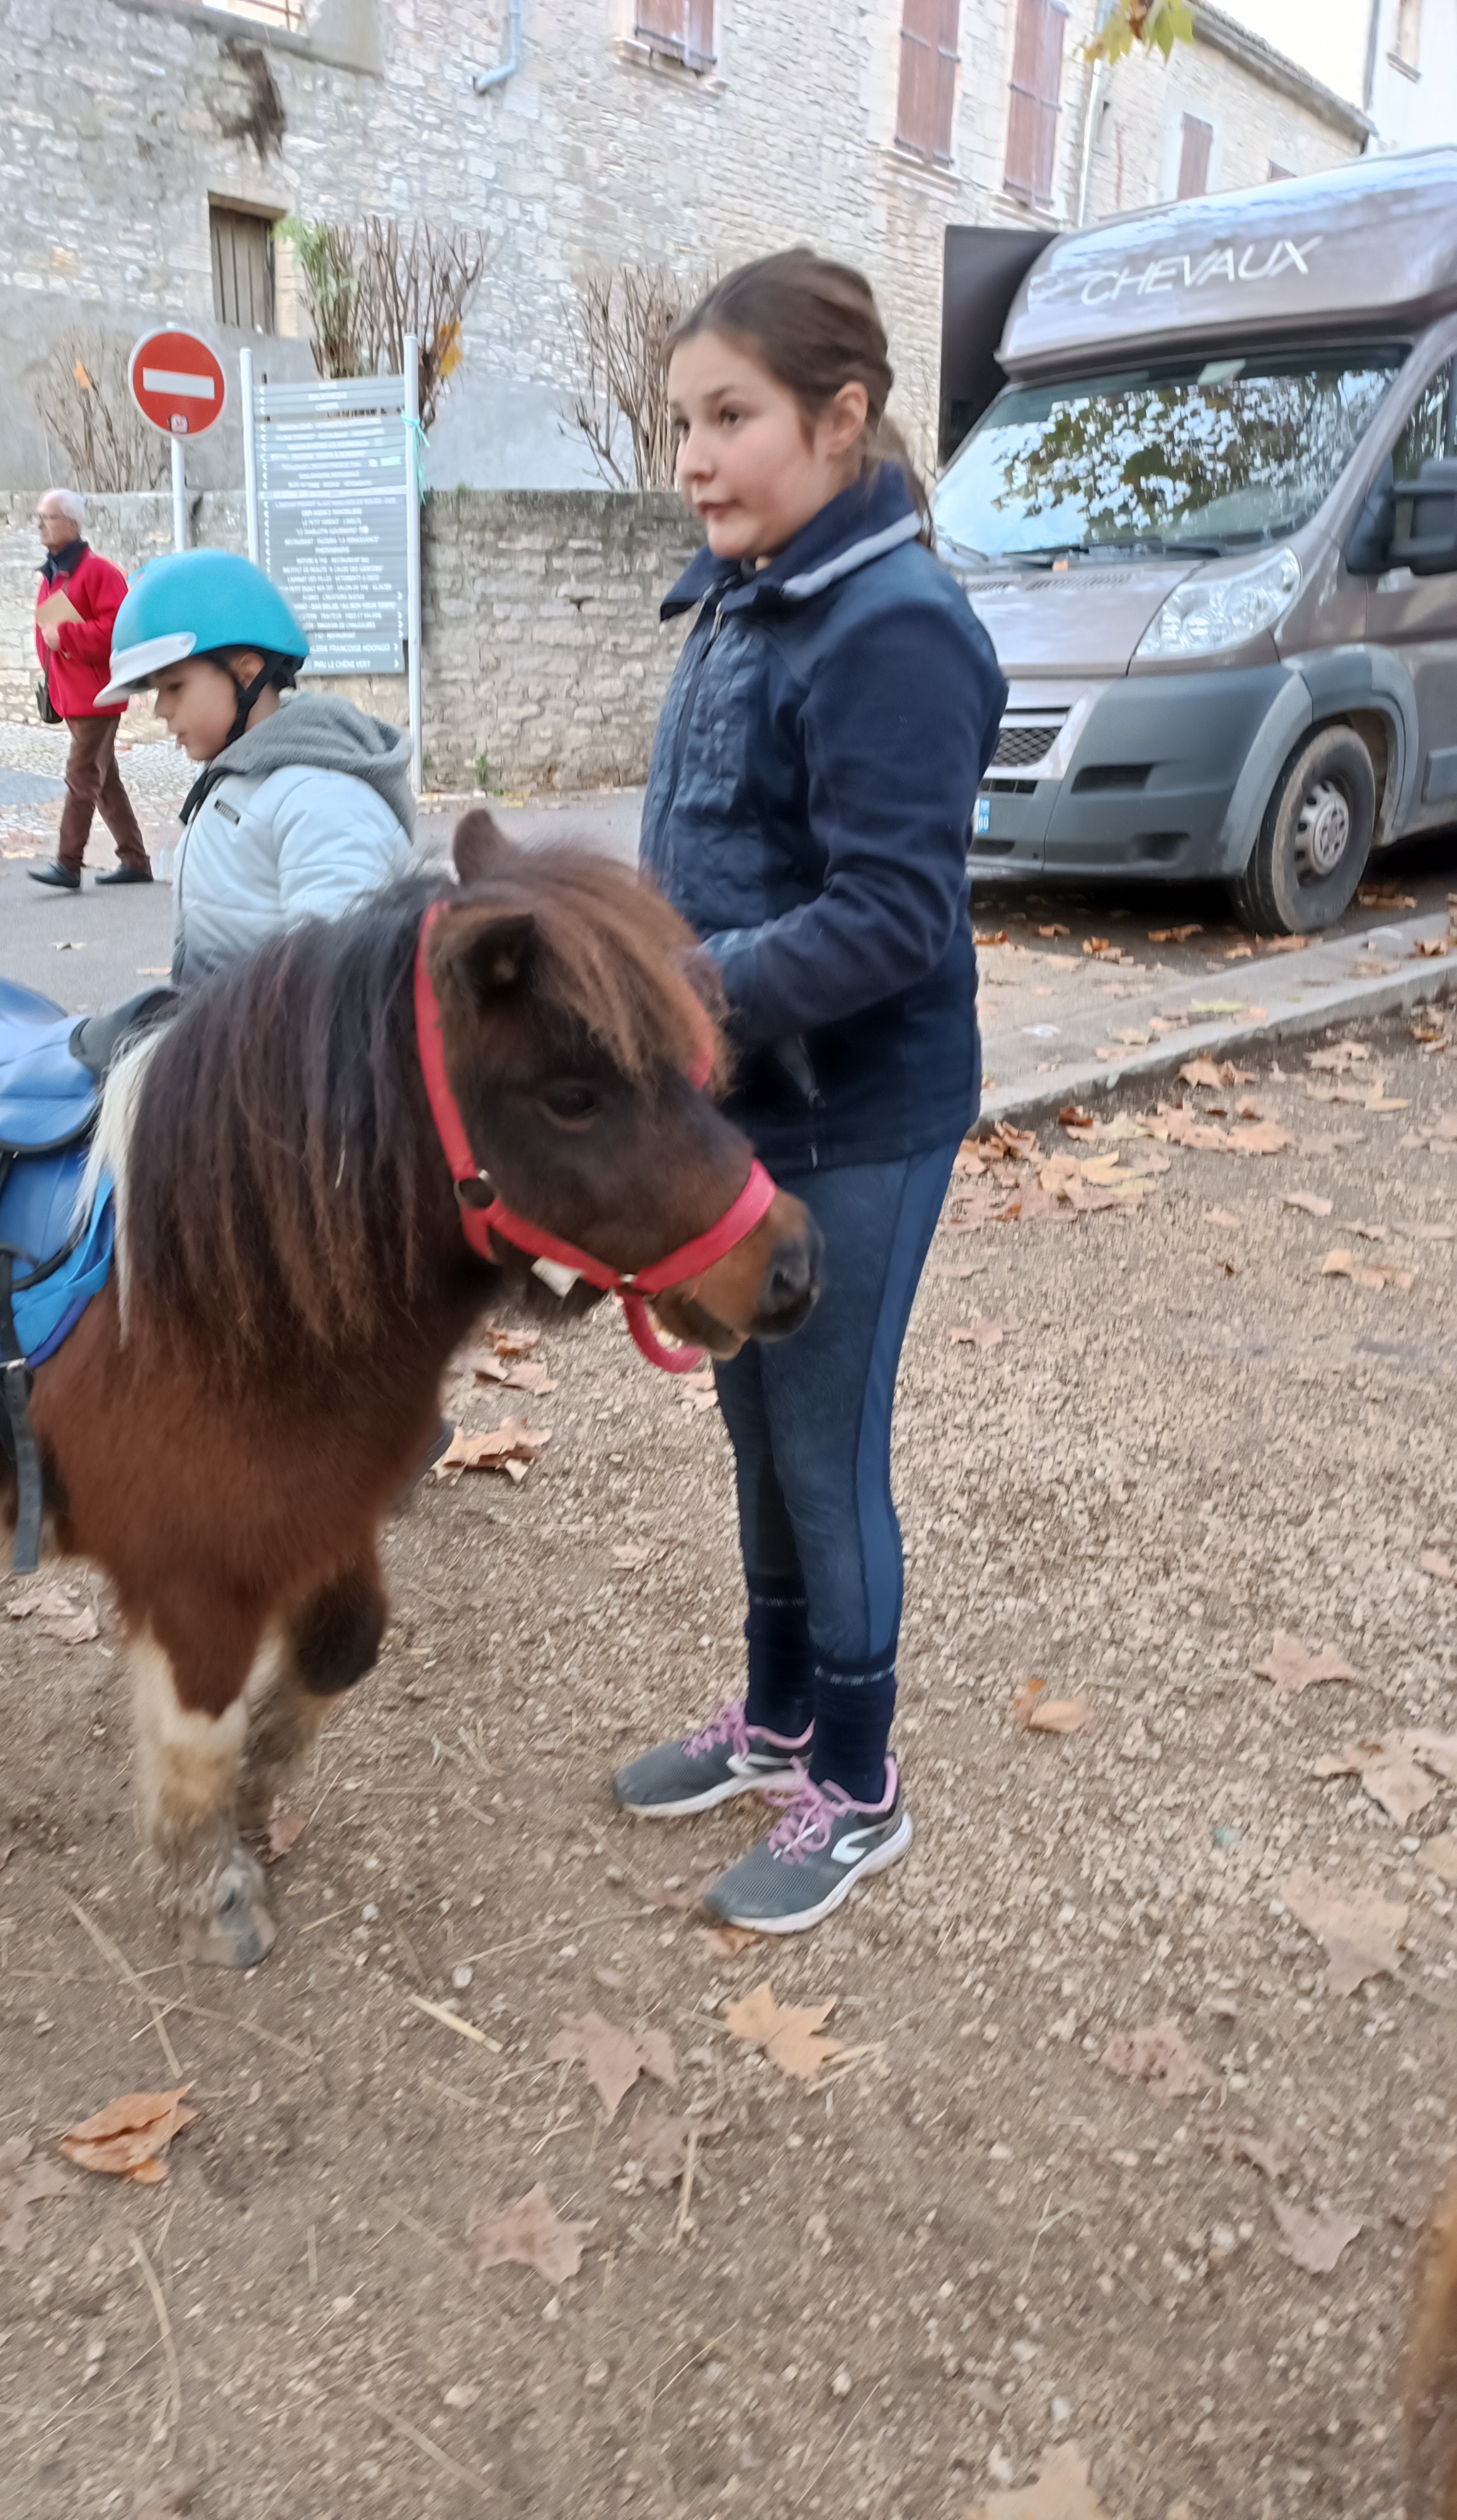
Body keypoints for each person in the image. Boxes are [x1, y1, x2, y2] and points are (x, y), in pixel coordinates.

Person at [611, 250, 1006, 1935]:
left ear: (842, 420)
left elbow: (894, 915)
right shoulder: (747, 587)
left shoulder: (893, 625)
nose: (692, 459)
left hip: (859, 1113)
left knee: (825, 1450)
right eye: (679, 423)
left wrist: (677, 995)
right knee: (753, 1431)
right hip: (738, 1109)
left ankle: (855, 1781)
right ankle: (775, 1718)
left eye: (730, 418)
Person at [94, 549, 416, 982]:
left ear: (246, 676)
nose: (161, 710)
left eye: (174, 686)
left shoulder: (321, 801)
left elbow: (338, 981)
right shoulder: (243, 779)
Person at [29, 487, 154, 893]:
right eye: (39, 517)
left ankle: (68, 864)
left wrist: (64, 637)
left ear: (72, 523)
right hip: (73, 694)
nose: (39, 524)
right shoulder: (55, 573)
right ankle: (135, 860)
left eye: (47, 517)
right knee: (105, 781)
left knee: (82, 776)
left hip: (98, 695)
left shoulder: (99, 572)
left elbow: (118, 632)